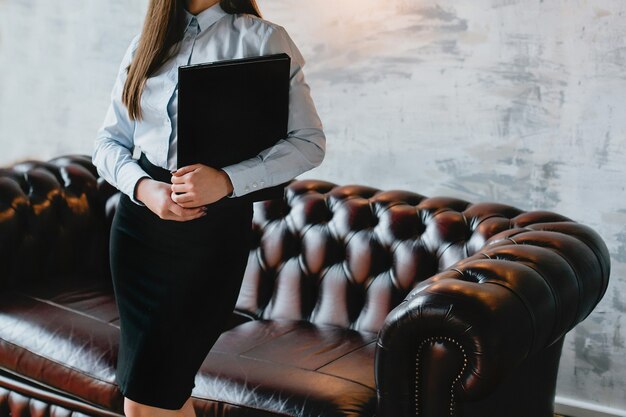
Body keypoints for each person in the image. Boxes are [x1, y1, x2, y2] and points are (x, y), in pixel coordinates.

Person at [91, 0, 326, 415]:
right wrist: (145, 189)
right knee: (164, 395)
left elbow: (308, 143)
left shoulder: (262, 39)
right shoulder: (145, 44)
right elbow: (108, 144)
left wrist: (228, 180)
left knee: (144, 402)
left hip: (210, 238)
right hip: (137, 233)